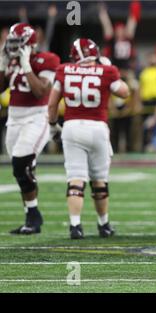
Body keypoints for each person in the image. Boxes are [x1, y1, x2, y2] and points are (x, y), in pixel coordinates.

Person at [47, 38, 129, 239]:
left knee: (76, 178)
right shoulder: (107, 71)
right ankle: (104, 224)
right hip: (97, 128)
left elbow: (52, 104)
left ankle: (75, 225)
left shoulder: (64, 70)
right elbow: (124, 93)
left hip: (72, 127)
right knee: (99, 179)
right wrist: (109, 69)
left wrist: (52, 125)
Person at [0, 23, 60, 234]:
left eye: (18, 42)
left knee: (21, 162)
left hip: (36, 117)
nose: (13, 46)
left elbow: (41, 91)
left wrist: (26, 66)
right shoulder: (12, 61)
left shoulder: (47, 59)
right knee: (22, 170)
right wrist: (2, 65)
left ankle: (34, 216)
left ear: (30, 44)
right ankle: (31, 217)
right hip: (14, 119)